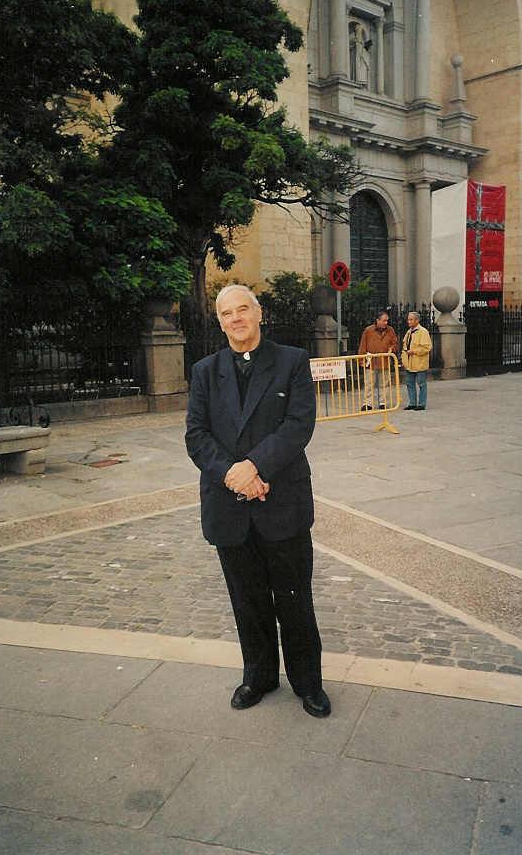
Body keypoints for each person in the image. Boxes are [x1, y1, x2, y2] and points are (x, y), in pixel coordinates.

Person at [185, 284, 330, 718]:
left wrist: (255, 467)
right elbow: (196, 434)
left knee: (294, 601)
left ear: (259, 312)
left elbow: (298, 425)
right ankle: (259, 676)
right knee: (246, 602)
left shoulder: (292, 361)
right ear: (220, 321)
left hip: (281, 502)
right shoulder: (205, 371)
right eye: (226, 313)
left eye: (242, 309)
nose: (236, 318)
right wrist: (233, 474)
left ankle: (308, 683)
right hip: (229, 505)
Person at [358, 310, 398, 411]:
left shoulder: (390, 330)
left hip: (384, 360)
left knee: (384, 383)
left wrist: (392, 348)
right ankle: (368, 403)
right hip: (370, 360)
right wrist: (361, 359)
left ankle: (383, 402)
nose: (386, 323)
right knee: (368, 383)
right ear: (377, 320)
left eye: (387, 321)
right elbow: (363, 345)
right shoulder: (368, 330)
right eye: (384, 320)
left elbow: (395, 343)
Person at [401, 310, 432, 411]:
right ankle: (412, 403)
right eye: (408, 319)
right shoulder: (409, 332)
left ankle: (422, 404)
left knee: (421, 384)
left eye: (411, 319)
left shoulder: (423, 332)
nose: (408, 321)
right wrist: (404, 358)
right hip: (409, 363)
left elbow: (427, 347)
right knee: (410, 383)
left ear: (417, 320)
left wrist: (414, 351)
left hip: (419, 363)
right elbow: (405, 345)